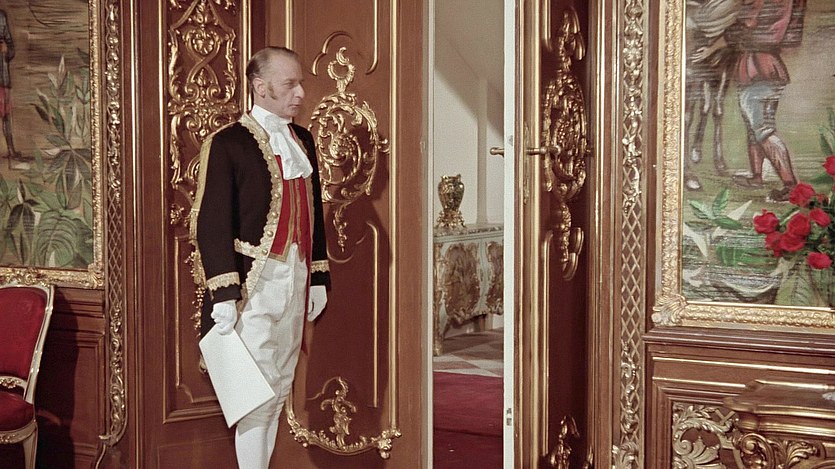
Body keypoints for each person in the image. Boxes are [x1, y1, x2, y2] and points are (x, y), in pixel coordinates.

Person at [190, 46, 330, 469]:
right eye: (290, 84)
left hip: (296, 277)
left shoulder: (302, 140)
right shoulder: (227, 143)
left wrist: (318, 275)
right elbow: (211, 223)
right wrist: (224, 294)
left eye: (300, 83)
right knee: (255, 399)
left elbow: (313, 213)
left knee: (279, 389)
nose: (301, 93)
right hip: (253, 284)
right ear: (261, 86)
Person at [695, 0, 805, 201]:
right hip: (770, 66)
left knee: (763, 130)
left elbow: (743, 27)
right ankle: (757, 177)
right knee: (755, 129)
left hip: (757, 68)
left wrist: (711, 49)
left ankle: (790, 185)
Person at [0, 9, 20, 161]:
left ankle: (11, 150)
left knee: (6, 115)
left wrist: (6, 50)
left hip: (3, 77)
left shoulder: (1, 17)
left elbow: (11, 49)